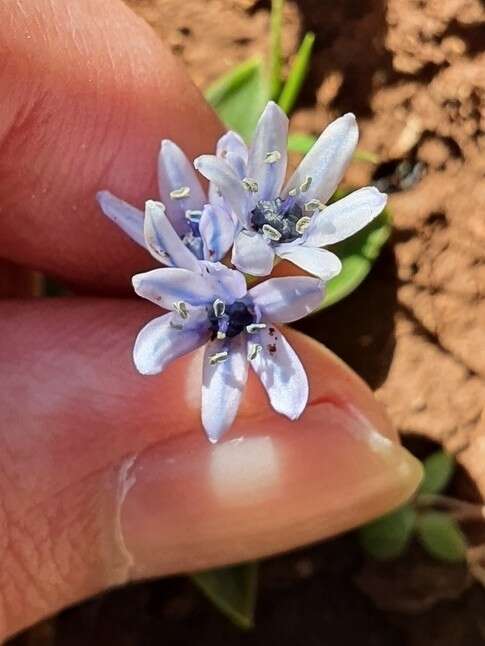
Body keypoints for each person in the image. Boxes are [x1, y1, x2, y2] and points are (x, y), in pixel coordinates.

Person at [0, 0, 421, 639]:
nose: (262, 236)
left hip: (241, 274)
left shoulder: (259, 264)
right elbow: (183, 315)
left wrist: (244, 263)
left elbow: (262, 280)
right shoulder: (214, 267)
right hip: (206, 276)